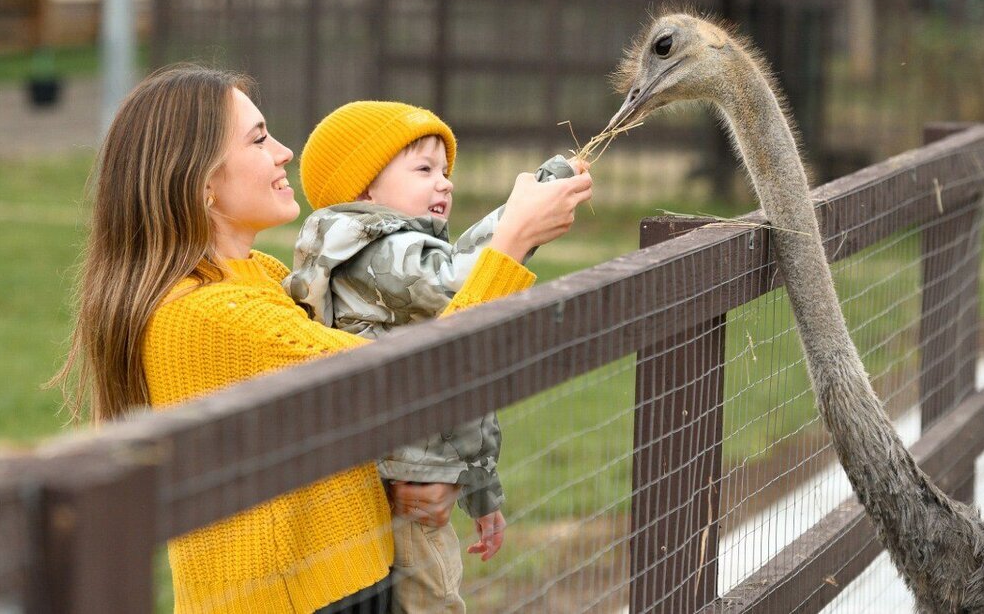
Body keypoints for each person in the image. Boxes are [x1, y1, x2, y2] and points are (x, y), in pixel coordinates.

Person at [53, 65, 593, 614]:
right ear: (203, 181)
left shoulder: (255, 276)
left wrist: (401, 485)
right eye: (259, 138)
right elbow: (414, 377)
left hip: (338, 581)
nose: (285, 152)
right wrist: (513, 241)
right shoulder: (214, 314)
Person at [284, 102, 583, 613]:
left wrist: (482, 493)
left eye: (445, 172)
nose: (444, 183)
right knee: (434, 601)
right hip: (409, 478)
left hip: (417, 469)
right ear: (364, 189)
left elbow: (467, 278)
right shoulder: (377, 254)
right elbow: (465, 280)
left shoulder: (401, 257)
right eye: (424, 170)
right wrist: (525, 221)